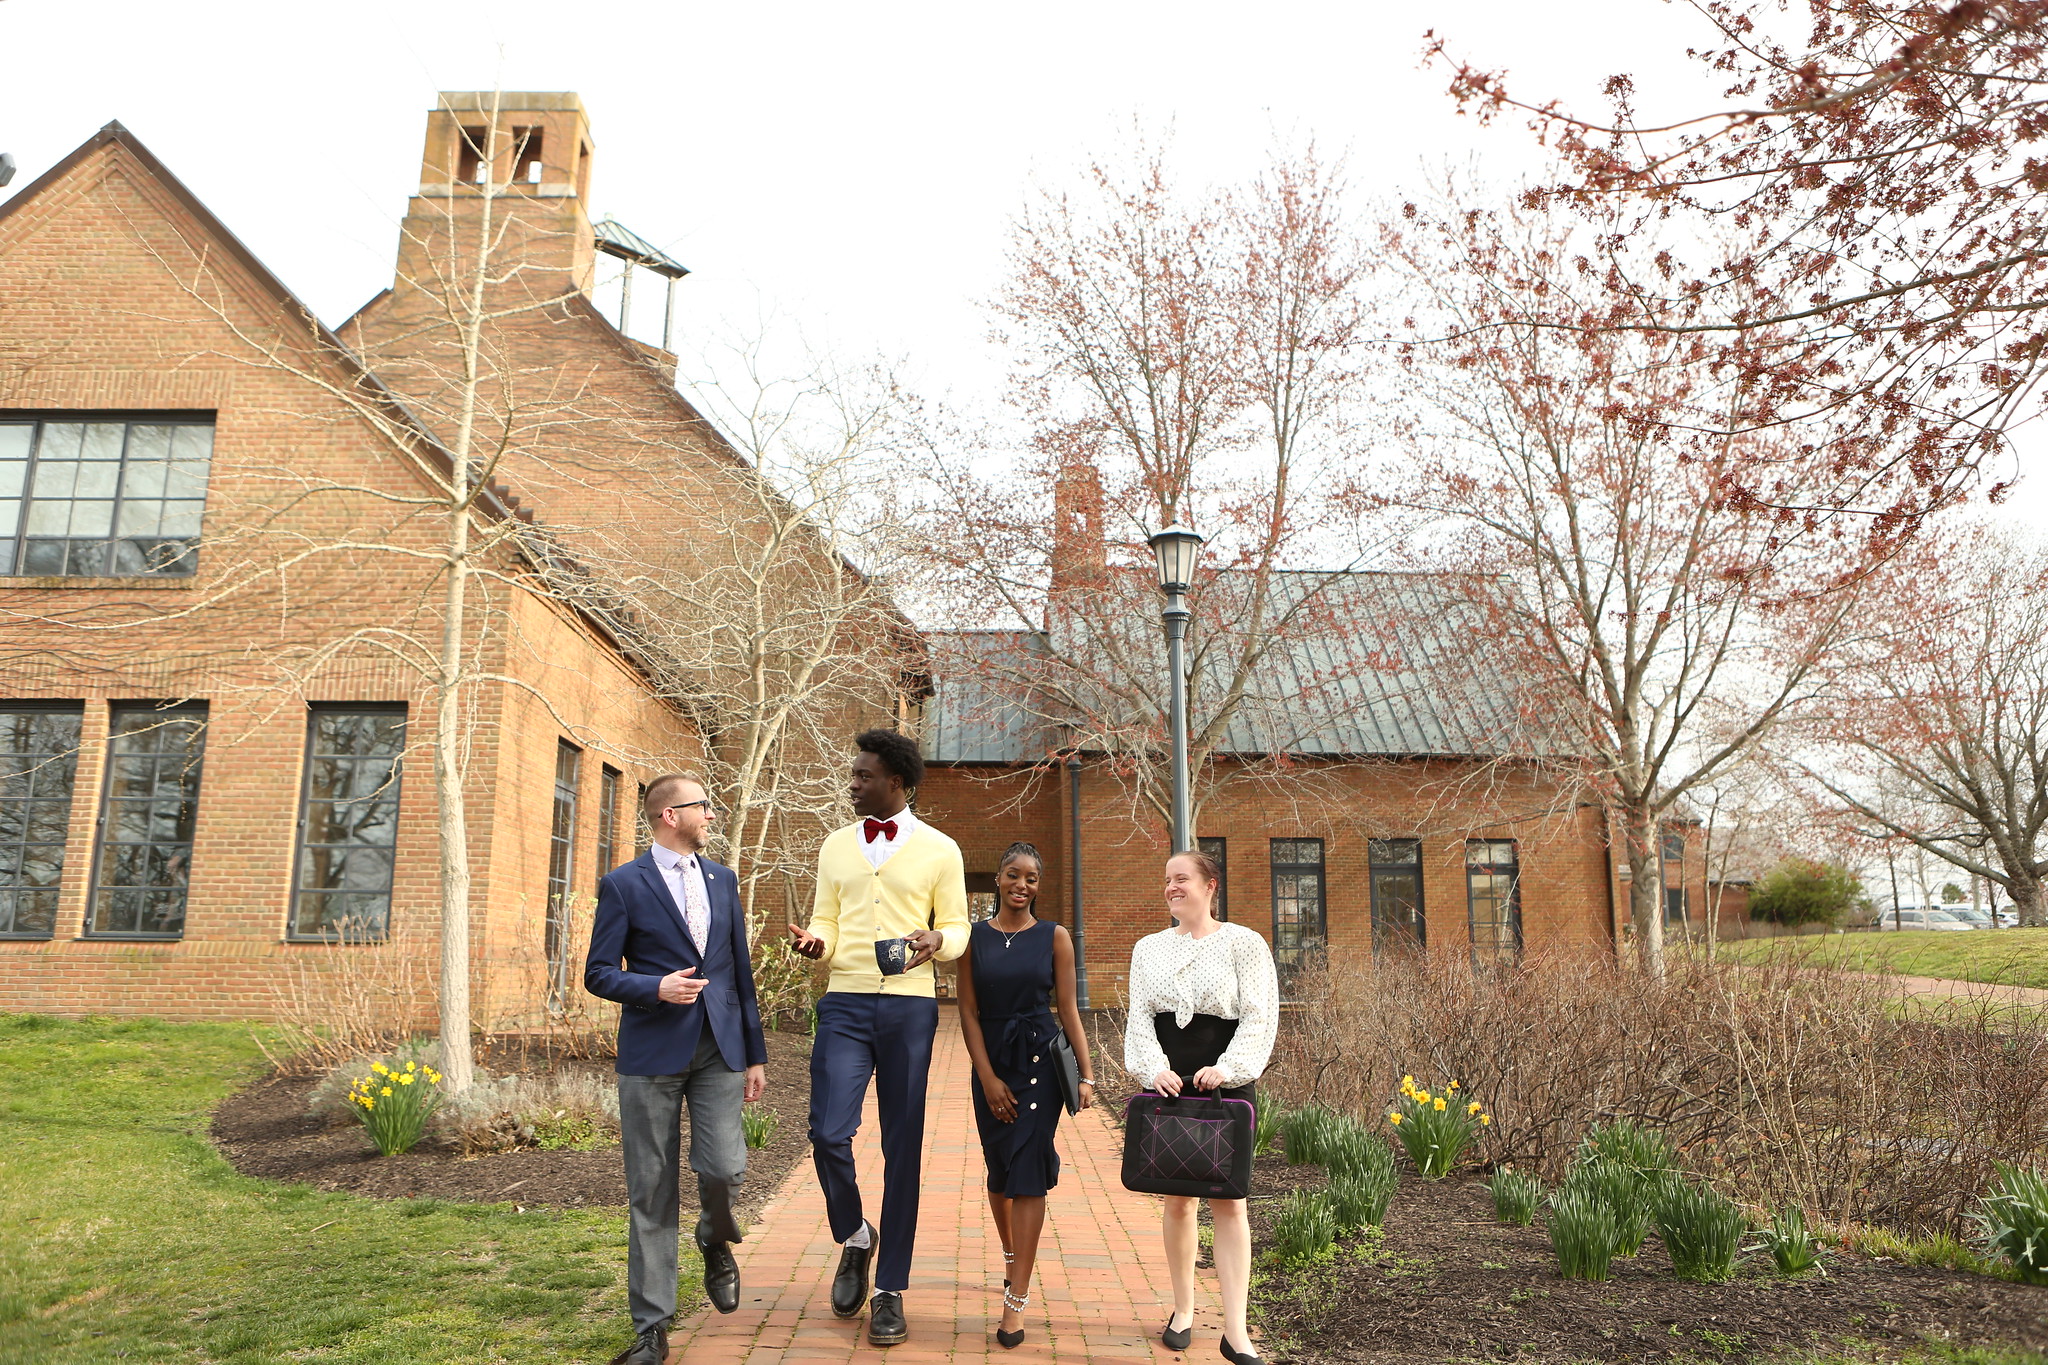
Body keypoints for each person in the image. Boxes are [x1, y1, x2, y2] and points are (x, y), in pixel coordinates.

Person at [785, 729, 969, 1346]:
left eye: (864, 776)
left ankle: (890, 1288)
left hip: (910, 1009)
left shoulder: (942, 849)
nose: (853, 783)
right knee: (827, 1130)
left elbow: (958, 925)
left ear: (897, 783)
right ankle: (856, 1236)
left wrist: (939, 941)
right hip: (844, 1001)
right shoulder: (835, 847)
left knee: (903, 1146)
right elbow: (827, 919)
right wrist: (818, 943)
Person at [585, 773, 768, 1365]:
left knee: (724, 1168)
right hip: (651, 1055)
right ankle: (652, 1329)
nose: (711, 815)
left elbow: (739, 972)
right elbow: (598, 972)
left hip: (719, 1047)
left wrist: (756, 1053)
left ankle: (716, 1237)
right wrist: (653, 987)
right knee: (651, 1190)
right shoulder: (622, 885)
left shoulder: (723, 880)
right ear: (670, 815)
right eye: (702, 807)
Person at [1124, 850, 1279, 1365]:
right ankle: (1184, 1309)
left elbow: (1260, 1017)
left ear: (1210, 885)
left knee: (1231, 1203)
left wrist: (1229, 1069)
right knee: (1178, 1201)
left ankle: (1236, 1331)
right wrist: (1152, 1069)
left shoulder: (1245, 943)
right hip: (1170, 1084)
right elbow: (1140, 1020)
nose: (1171, 887)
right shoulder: (1147, 949)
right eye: (1167, 879)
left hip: (1226, 1086)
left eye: (1181, 878)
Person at [956, 841, 1096, 1350]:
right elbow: (967, 1012)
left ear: (1039, 885)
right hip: (992, 1063)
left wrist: (1086, 1074)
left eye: (1032, 878)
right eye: (1014, 875)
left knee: (1029, 1169)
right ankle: (1014, 1256)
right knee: (999, 1170)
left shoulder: (1054, 937)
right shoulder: (972, 939)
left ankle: (1016, 1301)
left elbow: (1069, 1010)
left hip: (1039, 1065)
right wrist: (988, 1078)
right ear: (998, 879)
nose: (1022, 885)